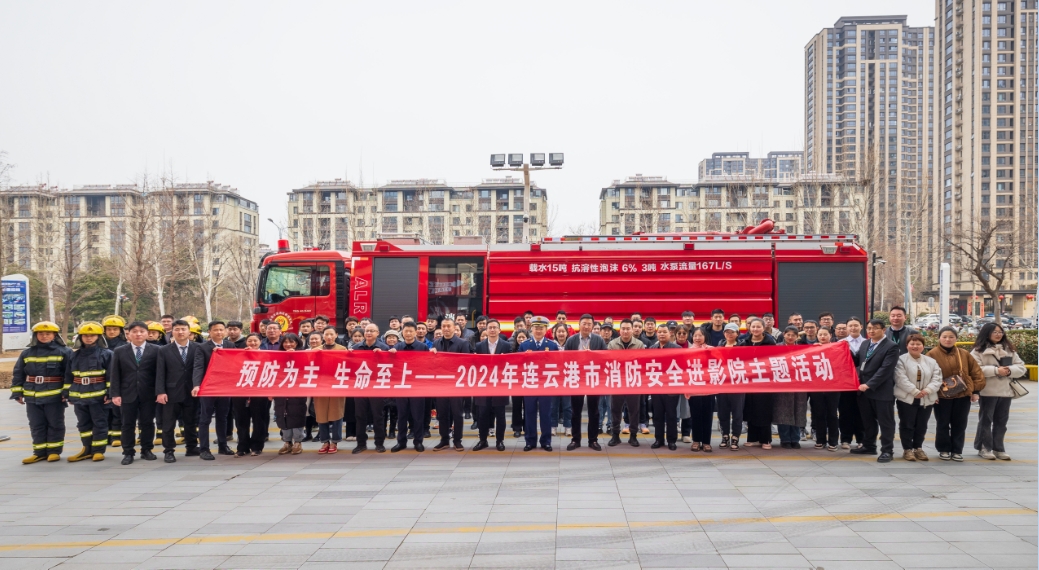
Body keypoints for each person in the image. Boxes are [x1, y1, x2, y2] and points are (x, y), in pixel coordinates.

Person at [927, 326, 984, 461]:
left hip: (962, 394)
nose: (948, 339)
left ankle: (957, 450)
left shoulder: (964, 353)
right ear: (939, 338)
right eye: (944, 337)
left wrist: (976, 391)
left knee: (960, 423)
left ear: (956, 339)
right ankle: (944, 449)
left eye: (951, 337)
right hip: (941, 395)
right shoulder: (931, 355)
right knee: (942, 423)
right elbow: (927, 376)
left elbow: (976, 372)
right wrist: (932, 394)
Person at [972, 323, 1027, 461]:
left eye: (1000, 332)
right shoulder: (977, 351)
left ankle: (999, 448)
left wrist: (1009, 370)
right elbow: (975, 369)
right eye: (995, 332)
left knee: (1001, 422)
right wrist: (996, 370)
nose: (998, 334)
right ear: (987, 333)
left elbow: (1021, 367)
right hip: (987, 392)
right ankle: (985, 447)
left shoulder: (1009, 350)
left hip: (1005, 392)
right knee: (986, 420)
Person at [109, 321, 160, 465]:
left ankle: (146, 450)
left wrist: (159, 391)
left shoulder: (156, 350)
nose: (138, 334)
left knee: (148, 423)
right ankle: (128, 452)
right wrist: (115, 394)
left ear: (147, 333)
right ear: (128, 334)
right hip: (127, 393)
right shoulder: (120, 351)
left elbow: (159, 373)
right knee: (127, 424)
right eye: (135, 331)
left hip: (148, 393)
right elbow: (115, 374)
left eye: (141, 331)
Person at [851, 318, 899, 462]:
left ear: (883, 330)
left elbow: (885, 369)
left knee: (886, 422)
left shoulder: (891, 346)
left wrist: (870, 384)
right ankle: (869, 445)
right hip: (863, 390)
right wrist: (842, 350)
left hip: (881, 391)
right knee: (868, 420)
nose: (871, 331)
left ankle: (887, 450)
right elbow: (858, 361)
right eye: (869, 328)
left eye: (875, 328)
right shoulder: (865, 343)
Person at [155, 319, 204, 463]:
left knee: (191, 421)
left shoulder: (198, 348)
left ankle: (191, 447)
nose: (180, 332)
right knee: (168, 424)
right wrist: (160, 392)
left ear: (189, 332)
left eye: (183, 329)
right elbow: (160, 372)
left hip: (191, 391)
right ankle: (169, 450)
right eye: (177, 329)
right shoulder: (163, 350)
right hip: (171, 392)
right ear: (172, 332)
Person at [63, 322, 112, 463]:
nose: (89, 338)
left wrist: (109, 393)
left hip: (99, 396)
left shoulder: (107, 354)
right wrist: (67, 393)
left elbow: (111, 376)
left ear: (98, 337)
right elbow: (68, 375)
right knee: (83, 424)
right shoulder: (74, 355)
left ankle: (98, 451)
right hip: (79, 395)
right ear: (80, 337)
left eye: (92, 335)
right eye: (85, 335)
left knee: (100, 423)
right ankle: (86, 449)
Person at [893, 333, 943, 461]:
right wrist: (915, 391)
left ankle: (918, 448)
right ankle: (907, 449)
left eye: (918, 344)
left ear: (923, 346)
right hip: (907, 398)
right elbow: (900, 378)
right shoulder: (901, 360)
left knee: (922, 424)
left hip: (926, 398)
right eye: (912, 344)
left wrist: (927, 390)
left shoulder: (931, 361)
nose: (915, 346)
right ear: (907, 345)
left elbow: (937, 378)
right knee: (907, 424)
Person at [563, 314, 607, 451]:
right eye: (584, 324)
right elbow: (565, 359)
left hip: (594, 380)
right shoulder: (571, 340)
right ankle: (575, 440)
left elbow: (605, 358)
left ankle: (593, 440)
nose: (586, 326)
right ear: (579, 325)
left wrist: (593, 355)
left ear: (593, 326)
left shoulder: (599, 340)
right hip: (577, 379)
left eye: (589, 324)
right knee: (575, 411)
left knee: (594, 411)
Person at [194, 320, 235, 459]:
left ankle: (223, 445)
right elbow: (198, 367)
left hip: (224, 387)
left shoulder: (230, 345)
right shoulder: (202, 347)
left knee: (222, 418)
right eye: (215, 330)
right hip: (208, 388)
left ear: (225, 331)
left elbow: (237, 362)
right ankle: (204, 449)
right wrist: (197, 385)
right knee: (205, 418)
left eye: (221, 330)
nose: (219, 332)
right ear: (210, 332)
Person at [518, 316, 559, 452]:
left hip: (546, 385)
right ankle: (530, 441)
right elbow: (518, 365)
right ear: (531, 329)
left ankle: (546, 441)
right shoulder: (524, 345)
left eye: (541, 328)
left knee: (546, 414)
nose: (538, 330)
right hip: (529, 384)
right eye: (536, 327)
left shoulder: (552, 345)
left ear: (546, 329)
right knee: (529, 413)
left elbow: (557, 365)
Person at [432, 316, 471, 451]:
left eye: (449, 326)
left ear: (455, 328)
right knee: (442, 413)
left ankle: (457, 440)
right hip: (441, 384)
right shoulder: (436, 343)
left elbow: (466, 363)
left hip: (456, 384)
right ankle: (444, 440)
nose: (446, 329)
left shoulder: (463, 343)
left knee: (457, 413)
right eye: (444, 326)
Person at [391, 321, 431, 453]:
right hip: (401, 387)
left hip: (417, 387)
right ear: (402, 332)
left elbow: (428, 366)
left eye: (411, 331)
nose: (408, 334)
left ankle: (418, 441)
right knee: (402, 415)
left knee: (417, 416)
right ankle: (401, 442)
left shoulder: (423, 347)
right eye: (406, 331)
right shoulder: (397, 347)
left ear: (415, 332)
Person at [473, 319, 511, 452]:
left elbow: (511, 364)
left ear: (499, 330)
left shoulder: (506, 346)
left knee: (500, 414)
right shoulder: (479, 346)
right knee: (482, 414)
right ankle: (482, 440)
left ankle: (500, 441)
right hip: (483, 385)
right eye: (490, 328)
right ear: (486, 330)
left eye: (495, 327)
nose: (492, 330)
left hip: (500, 385)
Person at [739, 318, 776, 451]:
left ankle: (766, 439)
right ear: (749, 328)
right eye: (753, 327)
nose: (755, 329)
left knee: (764, 410)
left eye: (758, 327)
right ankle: (752, 438)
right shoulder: (744, 342)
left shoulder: (770, 342)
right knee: (751, 409)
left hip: (765, 382)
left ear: (763, 327)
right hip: (749, 381)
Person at [607, 319, 645, 448]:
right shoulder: (612, 344)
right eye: (623, 328)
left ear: (632, 330)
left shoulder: (640, 345)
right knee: (615, 409)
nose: (625, 331)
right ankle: (615, 435)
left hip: (633, 382)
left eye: (628, 329)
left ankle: (633, 435)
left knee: (634, 410)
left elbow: (642, 363)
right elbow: (610, 362)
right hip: (617, 382)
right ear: (619, 330)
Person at [233, 333, 270, 456]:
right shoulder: (239, 354)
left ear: (260, 342)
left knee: (259, 420)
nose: (252, 343)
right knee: (241, 420)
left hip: (260, 392)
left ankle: (257, 446)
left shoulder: (267, 355)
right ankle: (242, 447)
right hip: (240, 392)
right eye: (250, 341)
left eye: (255, 341)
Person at [313, 327, 348, 454]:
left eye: (331, 334)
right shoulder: (316, 350)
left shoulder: (342, 350)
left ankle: (335, 440)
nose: (328, 337)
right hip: (320, 386)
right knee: (321, 415)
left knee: (336, 414)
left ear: (336, 335)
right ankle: (325, 441)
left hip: (336, 386)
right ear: (323, 336)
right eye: (326, 334)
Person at [772, 326, 806, 450]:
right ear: (784, 335)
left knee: (798, 411)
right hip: (782, 385)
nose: (790, 337)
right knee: (783, 412)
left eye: (793, 335)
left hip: (799, 385)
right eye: (788, 335)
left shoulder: (803, 348)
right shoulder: (776, 348)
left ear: (797, 337)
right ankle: (785, 439)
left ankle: (795, 439)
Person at [648, 324, 681, 450]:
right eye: (660, 332)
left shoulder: (677, 348)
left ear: (670, 333)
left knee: (671, 415)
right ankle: (659, 439)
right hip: (657, 386)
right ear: (657, 334)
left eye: (664, 332)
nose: (662, 334)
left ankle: (672, 440)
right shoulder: (652, 348)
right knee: (657, 415)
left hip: (671, 388)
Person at [274, 334, 306, 455]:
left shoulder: (303, 354)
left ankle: (298, 441)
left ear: (297, 343)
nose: (288, 344)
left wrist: (295, 355)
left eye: (291, 342)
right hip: (281, 391)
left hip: (297, 391)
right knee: (282, 414)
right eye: (285, 342)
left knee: (297, 414)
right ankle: (287, 441)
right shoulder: (276, 356)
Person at [809, 328, 840, 451]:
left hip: (833, 387)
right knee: (819, 414)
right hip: (817, 387)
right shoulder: (812, 349)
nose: (822, 336)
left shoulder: (836, 348)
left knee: (832, 414)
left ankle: (833, 441)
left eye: (825, 334)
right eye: (820, 334)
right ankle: (820, 440)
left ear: (830, 335)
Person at [838, 317, 866, 449]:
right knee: (845, 411)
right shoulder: (840, 343)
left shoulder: (868, 342)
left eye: (856, 325)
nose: (853, 328)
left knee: (862, 411)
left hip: (863, 383)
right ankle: (845, 439)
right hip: (845, 384)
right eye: (850, 326)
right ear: (846, 328)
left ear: (861, 326)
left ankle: (862, 439)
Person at [715, 323, 743, 451]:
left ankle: (735, 437)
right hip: (722, 384)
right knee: (723, 412)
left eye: (732, 332)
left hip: (738, 385)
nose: (729, 334)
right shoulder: (719, 347)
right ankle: (725, 435)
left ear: (737, 333)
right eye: (727, 332)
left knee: (737, 413)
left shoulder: (743, 347)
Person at [686, 328, 715, 452]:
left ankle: (707, 442)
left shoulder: (712, 349)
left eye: (700, 335)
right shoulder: (687, 352)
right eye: (695, 335)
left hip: (709, 390)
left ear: (705, 337)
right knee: (695, 416)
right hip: (694, 389)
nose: (697, 338)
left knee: (708, 416)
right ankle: (696, 441)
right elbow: (684, 372)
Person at [101, 315, 127, 448]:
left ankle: (117, 435)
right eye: (109, 329)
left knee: (117, 410)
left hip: (119, 381)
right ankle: (106, 435)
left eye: (115, 329)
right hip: (101, 381)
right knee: (104, 411)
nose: (112, 332)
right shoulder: (100, 345)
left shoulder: (125, 345)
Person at [550, 323, 573, 437]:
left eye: (563, 331)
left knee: (567, 405)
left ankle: (568, 427)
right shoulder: (550, 345)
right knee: (553, 405)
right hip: (554, 379)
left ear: (567, 333)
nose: (561, 334)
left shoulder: (571, 344)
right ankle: (553, 427)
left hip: (567, 379)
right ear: (555, 333)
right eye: (558, 331)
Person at [509, 328, 529, 437]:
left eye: (523, 337)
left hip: (527, 381)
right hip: (516, 382)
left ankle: (527, 427)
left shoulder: (531, 349)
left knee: (527, 406)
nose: (521, 339)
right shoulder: (511, 350)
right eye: (519, 337)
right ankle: (517, 428)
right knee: (516, 406)